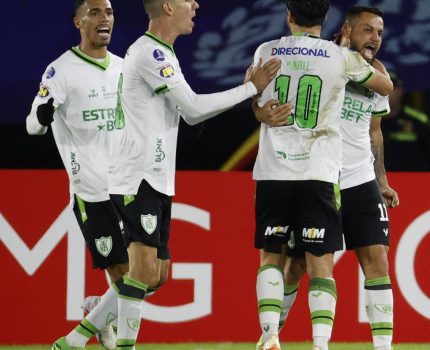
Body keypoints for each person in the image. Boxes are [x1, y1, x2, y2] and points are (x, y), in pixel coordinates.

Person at [52, 0, 281, 348]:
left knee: (156, 276)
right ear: (168, 8)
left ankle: (74, 338)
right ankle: (93, 343)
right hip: (136, 176)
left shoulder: (164, 53)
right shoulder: (149, 54)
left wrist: (244, 88)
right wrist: (250, 89)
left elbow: (189, 116)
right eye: (186, 0)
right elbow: (192, 107)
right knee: (141, 272)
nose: (195, 4)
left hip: (158, 178)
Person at [249, 0, 393, 349]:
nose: (374, 37)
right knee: (298, 266)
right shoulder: (336, 58)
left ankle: (384, 347)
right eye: (367, 30)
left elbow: (374, 132)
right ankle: (273, 334)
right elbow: (257, 97)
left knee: (377, 259)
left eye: (379, 32)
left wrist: (382, 181)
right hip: (321, 175)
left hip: (357, 179)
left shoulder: (373, 70)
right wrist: (259, 111)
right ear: (346, 30)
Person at [27, 1, 125, 348]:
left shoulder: (124, 68)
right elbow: (32, 123)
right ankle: (84, 339)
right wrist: (42, 116)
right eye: (96, 12)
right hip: (91, 192)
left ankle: (94, 315)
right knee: (128, 278)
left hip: (128, 186)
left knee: (148, 277)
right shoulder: (60, 71)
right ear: (78, 21)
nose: (105, 19)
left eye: (109, 12)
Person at [382, 71, 430, 171]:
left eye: (392, 87)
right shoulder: (364, 119)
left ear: (401, 91)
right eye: (381, 87)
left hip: (413, 183)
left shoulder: (420, 121)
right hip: (373, 183)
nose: (386, 92)